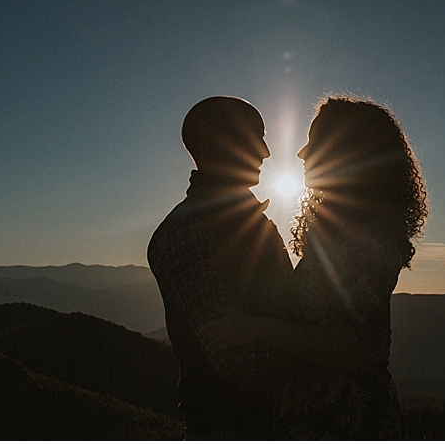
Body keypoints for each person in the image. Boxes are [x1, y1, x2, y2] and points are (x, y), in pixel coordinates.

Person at [200, 96, 428, 439]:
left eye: (314, 142)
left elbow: (362, 350)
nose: (301, 154)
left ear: (348, 153)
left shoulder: (365, 239)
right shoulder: (350, 231)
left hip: (345, 420)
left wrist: (252, 328)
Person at [147, 96, 294, 439]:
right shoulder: (188, 232)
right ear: (220, 143)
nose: (266, 152)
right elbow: (238, 360)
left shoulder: (244, 220)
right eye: (256, 137)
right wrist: (332, 352)